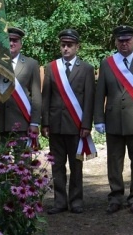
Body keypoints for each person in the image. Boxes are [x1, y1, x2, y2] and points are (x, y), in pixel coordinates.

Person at [94, 25, 133, 215]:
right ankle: (115, 197)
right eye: (120, 40)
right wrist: (99, 119)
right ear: (115, 42)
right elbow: (99, 94)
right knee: (114, 162)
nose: (124, 44)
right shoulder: (107, 64)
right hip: (113, 120)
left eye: (127, 40)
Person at [41, 29, 95, 215]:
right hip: (56, 125)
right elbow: (45, 97)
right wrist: (45, 123)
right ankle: (59, 202)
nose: (66, 48)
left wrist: (87, 125)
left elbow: (89, 99)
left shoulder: (87, 68)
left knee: (76, 165)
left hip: (77, 125)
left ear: (77, 47)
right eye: (63, 45)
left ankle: (76, 201)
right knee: (57, 166)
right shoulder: (51, 68)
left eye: (69, 45)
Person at [0, 27, 41, 144]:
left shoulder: (31, 64)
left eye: (15, 40)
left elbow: (36, 96)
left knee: (23, 162)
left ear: (20, 44)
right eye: (8, 40)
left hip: (23, 124)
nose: (11, 43)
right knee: (0, 161)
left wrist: (34, 123)